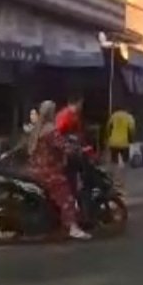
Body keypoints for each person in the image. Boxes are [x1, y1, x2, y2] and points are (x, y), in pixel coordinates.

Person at [28, 100, 89, 240]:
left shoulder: (38, 128)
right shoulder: (50, 130)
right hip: (49, 170)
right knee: (67, 196)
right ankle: (73, 228)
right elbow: (63, 146)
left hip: (36, 168)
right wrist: (77, 150)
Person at [106, 106, 136, 171]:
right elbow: (132, 129)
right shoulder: (129, 117)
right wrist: (131, 139)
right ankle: (123, 175)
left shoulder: (114, 115)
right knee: (125, 161)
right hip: (124, 143)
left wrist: (109, 137)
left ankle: (113, 175)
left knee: (114, 161)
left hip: (113, 142)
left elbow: (108, 127)